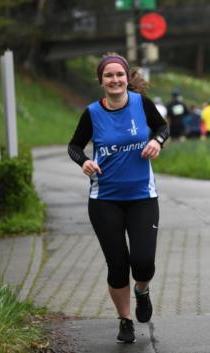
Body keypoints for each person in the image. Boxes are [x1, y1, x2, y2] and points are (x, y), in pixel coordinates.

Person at [67, 53, 169, 344]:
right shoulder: (92, 113)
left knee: (143, 261)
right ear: (101, 81)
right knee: (117, 265)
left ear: (126, 78)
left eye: (119, 75)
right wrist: (84, 162)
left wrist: (156, 141)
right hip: (105, 200)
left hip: (143, 197)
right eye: (108, 76)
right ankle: (125, 320)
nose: (115, 80)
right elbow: (74, 146)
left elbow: (163, 128)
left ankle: (142, 290)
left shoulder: (141, 104)